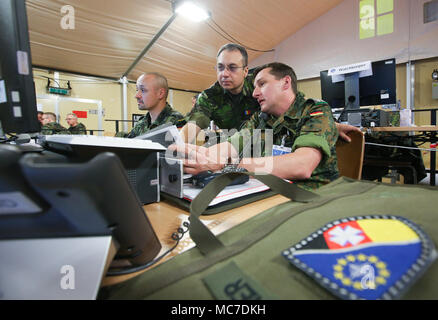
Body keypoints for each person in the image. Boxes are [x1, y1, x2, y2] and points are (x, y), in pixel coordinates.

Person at [171, 62, 339, 190]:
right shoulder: (261, 118)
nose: (254, 93)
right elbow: (231, 146)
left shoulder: (315, 110)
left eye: (262, 84)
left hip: (312, 197)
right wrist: (205, 156)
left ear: (286, 82)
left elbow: (301, 165)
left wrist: (225, 165)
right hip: (271, 194)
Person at [181, 43, 360, 145]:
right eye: (220, 68)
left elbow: (296, 105)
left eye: (232, 68)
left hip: (268, 147)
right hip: (237, 146)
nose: (224, 74)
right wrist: (177, 148)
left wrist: (329, 123)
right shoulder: (210, 96)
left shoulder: (260, 83)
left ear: (245, 71)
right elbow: (193, 125)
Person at [119, 72, 185, 138]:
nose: (137, 95)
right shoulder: (142, 122)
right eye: (137, 90)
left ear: (160, 93)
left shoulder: (177, 122)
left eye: (143, 90)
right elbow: (129, 140)